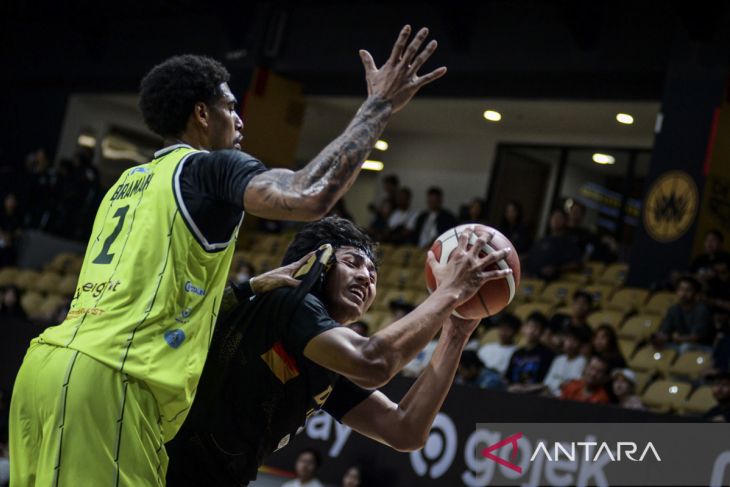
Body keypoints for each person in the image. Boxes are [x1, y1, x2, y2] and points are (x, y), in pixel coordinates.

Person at [10, 25, 448, 486]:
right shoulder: (210, 168)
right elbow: (311, 195)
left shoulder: (127, 184)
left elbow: (152, 297)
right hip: (111, 382)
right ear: (202, 113)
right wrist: (379, 106)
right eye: (230, 108)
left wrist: (248, 287)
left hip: (46, 368)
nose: (240, 121)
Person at [165, 217, 512, 486]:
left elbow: (404, 430)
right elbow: (373, 362)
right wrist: (450, 291)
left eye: (373, 274)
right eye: (353, 263)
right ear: (318, 263)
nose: (366, 278)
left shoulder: (323, 356)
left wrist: (455, 334)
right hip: (161, 470)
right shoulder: (288, 300)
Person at [657, 275, 712, 350]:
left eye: (688, 290)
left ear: (695, 293)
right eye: (681, 289)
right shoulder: (674, 309)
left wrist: (671, 338)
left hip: (702, 347)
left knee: (685, 347)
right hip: (681, 344)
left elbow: (695, 337)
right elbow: (665, 331)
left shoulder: (701, 310)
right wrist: (659, 338)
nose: (684, 293)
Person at [526, 208, 582, 281]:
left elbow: (576, 264)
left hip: (556, 281)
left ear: (565, 221)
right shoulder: (542, 240)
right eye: (554, 217)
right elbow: (530, 257)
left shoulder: (569, 243)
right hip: (533, 279)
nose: (556, 220)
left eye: (559, 218)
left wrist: (557, 269)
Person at [505, 312, 555, 393]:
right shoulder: (517, 353)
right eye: (530, 326)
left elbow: (546, 383)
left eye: (536, 328)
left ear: (542, 332)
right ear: (524, 328)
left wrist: (524, 389)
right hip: (513, 392)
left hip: (535, 395)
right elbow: (507, 378)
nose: (531, 331)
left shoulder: (547, 354)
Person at [542, 328, 587, 397]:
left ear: (580, 344)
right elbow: (547, 382)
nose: (570, 343)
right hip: (550, 396)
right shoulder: (558, 360)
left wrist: (561, 385)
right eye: (568, 339)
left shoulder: (583, 362)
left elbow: (578, 384)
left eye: (574, 340)